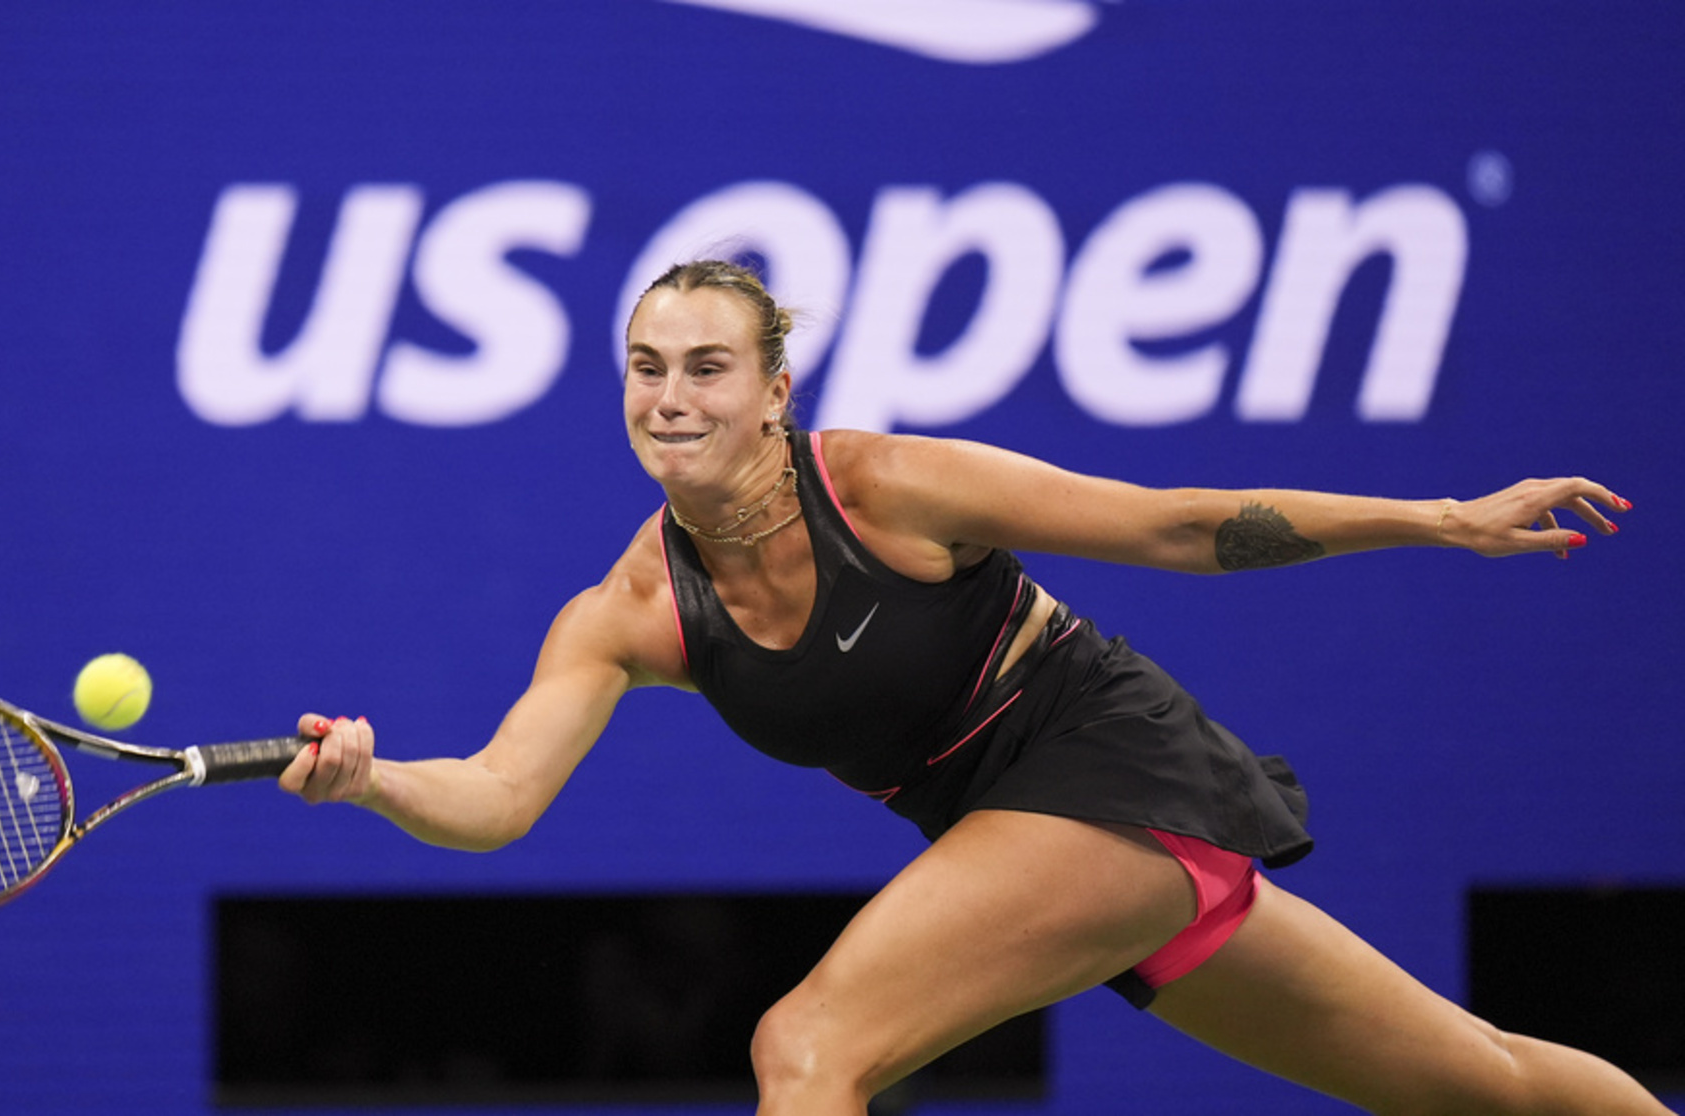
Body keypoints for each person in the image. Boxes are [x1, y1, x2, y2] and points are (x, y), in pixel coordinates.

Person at [280, 258, 1670, 1115]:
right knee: (1478, 1086)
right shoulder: (632, 611)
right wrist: (373, 778)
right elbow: (499, 797)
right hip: (1031, 845)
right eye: (647, 370)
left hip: (1107, 770)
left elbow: (1180, 525)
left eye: (710, 367)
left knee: (807, 1045)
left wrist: (1441, 517)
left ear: (776, 388)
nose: (672, 397)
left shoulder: (883, 486)